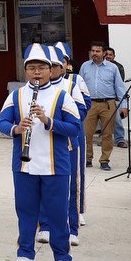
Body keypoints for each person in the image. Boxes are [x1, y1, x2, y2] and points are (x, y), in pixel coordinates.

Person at [0, 43, 83, 261]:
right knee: (25, 211)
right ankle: (25, 253)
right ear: (26, 71)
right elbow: (2, 122)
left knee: (58, 213)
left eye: (42, 68)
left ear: (51, 70)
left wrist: (48, 121)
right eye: (32, 68)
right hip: (24, 164)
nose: (37, 72)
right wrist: (16, 128)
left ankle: (62, 258)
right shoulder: (17, 95)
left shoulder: (62, 95)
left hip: (56, 164)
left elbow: (75, 127)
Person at [46, 42, 90, 243]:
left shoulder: (72, 84)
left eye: (58, 64)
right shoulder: (37, 87)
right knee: (45, 186)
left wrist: (58, 121)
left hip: (69, 140)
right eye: (51, 65)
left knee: (72, 182)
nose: (55, 68)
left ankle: (73, 225)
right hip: (45, 143)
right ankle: (44, 224)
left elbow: (81, 110)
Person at [78, 41, 124, 171]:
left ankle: (104, 160)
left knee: (107, 134)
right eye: (93, 51)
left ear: (104, 53)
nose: (94, 53)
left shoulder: (113, 68)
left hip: (108, 104)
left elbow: (119, 87)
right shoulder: (85, 66)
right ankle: (87, 158)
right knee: (87, 133)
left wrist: (124, 105)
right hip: (89, 103)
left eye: (97, 51)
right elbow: (79, 86)